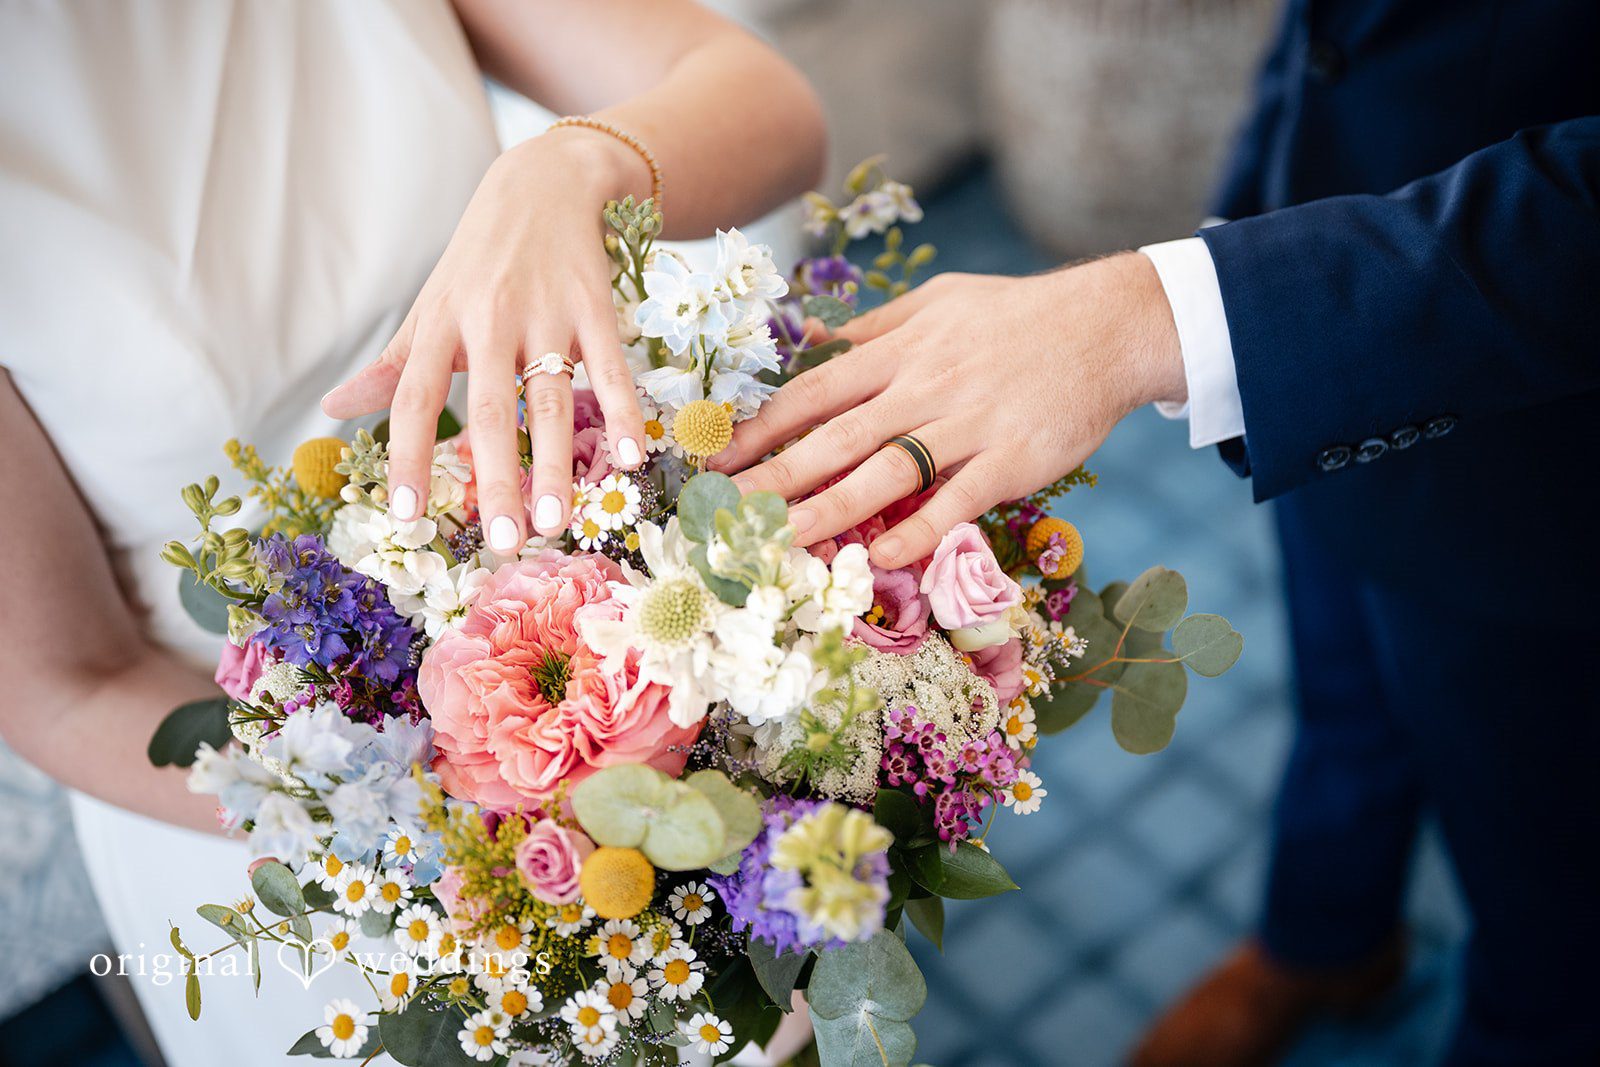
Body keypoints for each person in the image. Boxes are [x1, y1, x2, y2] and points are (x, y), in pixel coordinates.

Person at [712, 3, 1600, 1065]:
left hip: (1547, 463)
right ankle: (1324, 937)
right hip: (1325, 312)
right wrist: (1247, 220)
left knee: (1544, 860)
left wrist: (1170, 315)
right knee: (1346, 688)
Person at [0, 2, 823, 1063]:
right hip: (288, 789)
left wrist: (568, 169)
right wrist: (423, 825)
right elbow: (63, 683)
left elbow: (773, 108)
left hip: (618, 568)